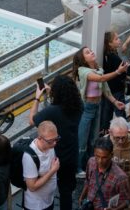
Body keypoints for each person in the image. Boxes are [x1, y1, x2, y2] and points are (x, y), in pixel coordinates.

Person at [29, 75, 83, 209]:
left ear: (56, 92)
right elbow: (64, 106)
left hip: (53, 158)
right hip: (71, 155)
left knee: (47, 189)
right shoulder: (79, 106)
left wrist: (37, 97)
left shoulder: (52, 111)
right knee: (66, 193)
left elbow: (32, 120)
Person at [72, 47, 127, 173]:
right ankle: (78, 168)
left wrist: (114, 102)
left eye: (91, 50)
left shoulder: (99, 70)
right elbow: (101, 79)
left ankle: (91, 163)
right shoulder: (83, 71)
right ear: (82, 59)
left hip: (97, 106)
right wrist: (118, 72)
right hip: (86, 108)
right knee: (82, 141)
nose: (91, 52)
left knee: (93, 139)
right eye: (87, 52)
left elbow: (105, 88)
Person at [78, 137, 130, 210]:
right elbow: (87, 181)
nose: (100, 161)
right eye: (97, 156)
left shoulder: (120, 177)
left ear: (111, 155)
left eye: (104, 157)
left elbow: (127, 201)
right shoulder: (91, 162)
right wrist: (81, 197)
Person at [22, 121, 60, 210]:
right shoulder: (29, 156)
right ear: (39, 138)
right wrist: (53, 171)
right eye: (50, 141)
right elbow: (32, 187)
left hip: (49, 200)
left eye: (56, 139)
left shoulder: (50, 146)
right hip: (36, 206)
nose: (54, 143)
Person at [102, 31, 128, 132]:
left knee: (106, 113)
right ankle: (123, 131)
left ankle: (104, 132)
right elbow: (123, 69)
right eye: (116, 39)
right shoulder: (113, 56)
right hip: (116, 89)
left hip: (109, 89)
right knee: (120, 112)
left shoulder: (107, 54)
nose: (119, 40)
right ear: (109, 43)